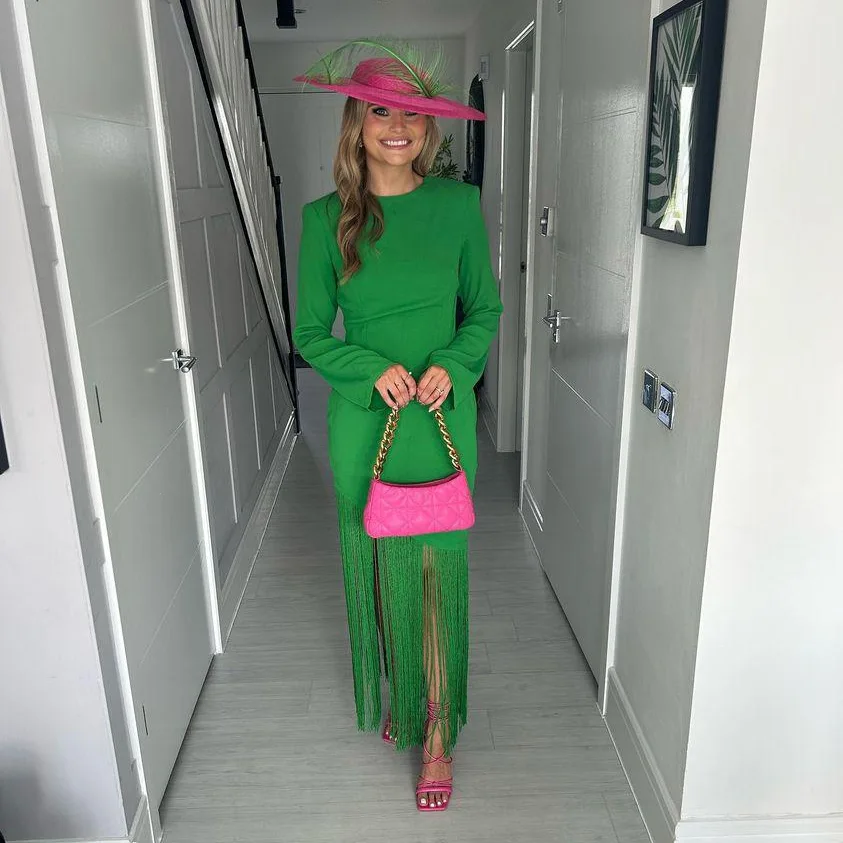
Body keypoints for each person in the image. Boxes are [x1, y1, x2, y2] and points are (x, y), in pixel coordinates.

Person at [292, 38, 503, 812]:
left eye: (411, 115)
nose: (397, 127)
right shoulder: (325, 220)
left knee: (435, 582)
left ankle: (438, 731)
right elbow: (308, 333)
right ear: (357, 120)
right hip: (365, 425)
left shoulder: (457, 206)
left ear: (427, 128)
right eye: (381, 111)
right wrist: (365, 366)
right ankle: (406, 694)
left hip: (438, 419)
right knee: (387, 579)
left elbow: (485, 309)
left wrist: (455, 359)